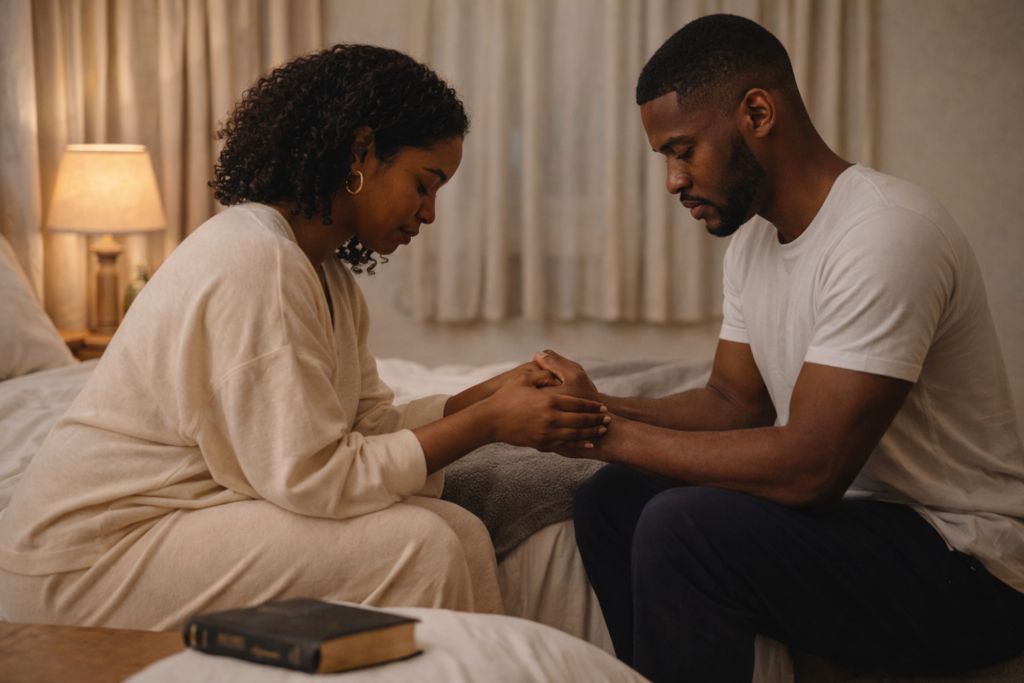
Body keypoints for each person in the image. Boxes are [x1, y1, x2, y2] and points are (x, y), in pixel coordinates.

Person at [0, 44, 609, 631]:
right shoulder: (255, 260)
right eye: (423, 185)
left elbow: (366, 429)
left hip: (174, 517)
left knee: (461, 531)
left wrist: (486, 395)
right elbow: (315, 476)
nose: (427, 214)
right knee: (418, 547)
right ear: (362, 151)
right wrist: (489, 424)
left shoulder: (327, 276)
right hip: (86, 557)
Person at [533, 14, 1024, 683]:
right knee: (612, 500)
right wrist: (594, 405)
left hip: (970, 562)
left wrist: (601, 432)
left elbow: (811, 467)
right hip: (864, 526)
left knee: (684, 526)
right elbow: (732, 403)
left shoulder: (887, 232)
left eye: (682, 149)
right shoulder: (754, 244)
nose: (674, 180)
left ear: (758, 112)